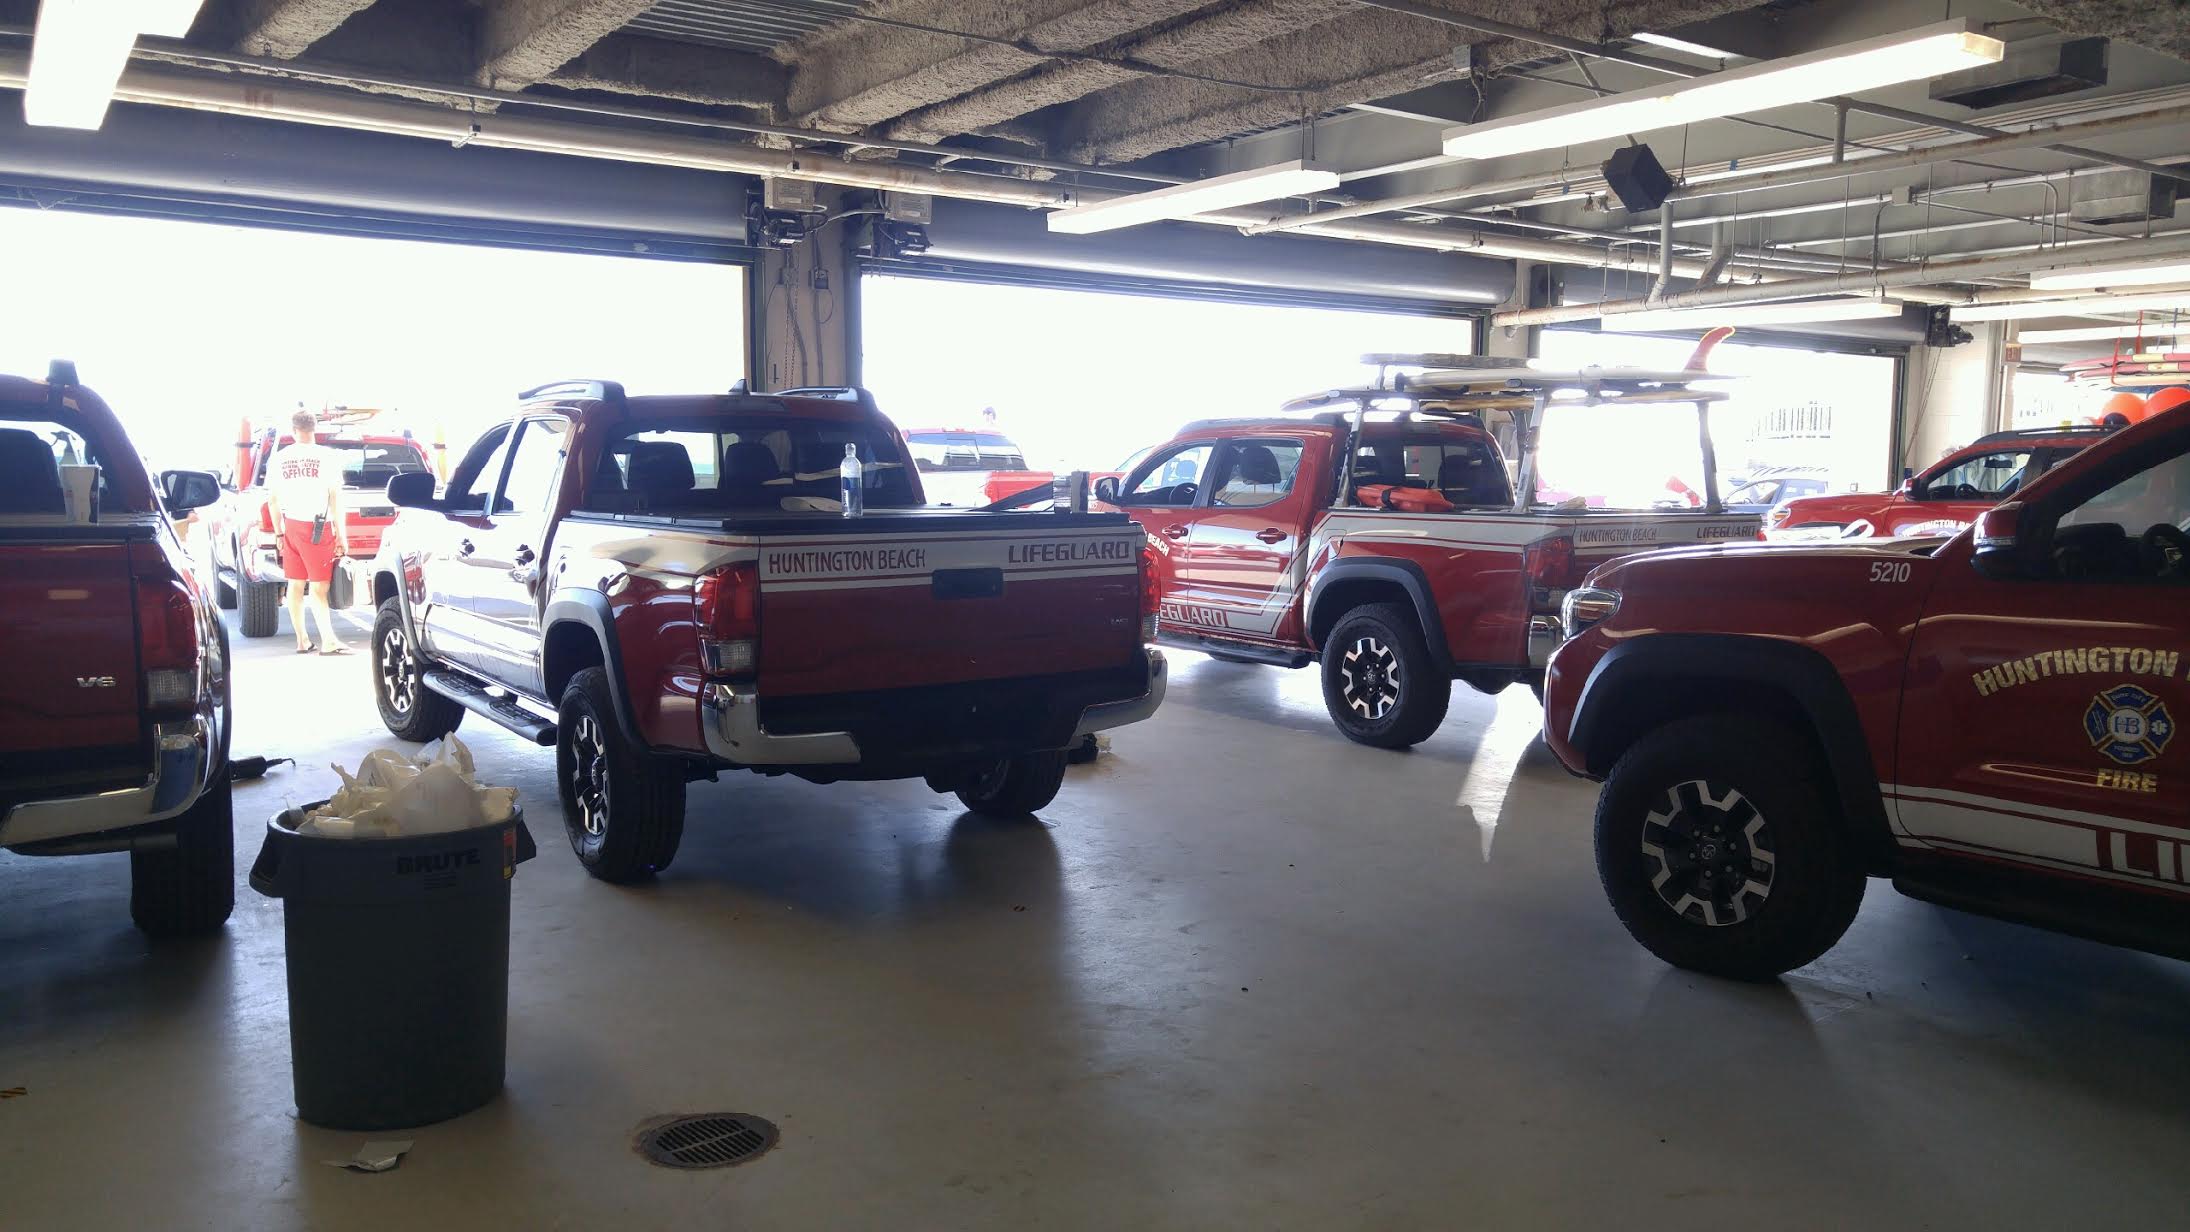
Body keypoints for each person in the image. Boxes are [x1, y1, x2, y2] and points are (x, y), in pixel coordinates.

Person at [264, 408, 351, 655]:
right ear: (314, 429)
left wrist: (279, 533)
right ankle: (329, 641)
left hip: (290, 526)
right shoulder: (327, 457)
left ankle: (302, 640)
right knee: (319, 587)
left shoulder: (280, 458)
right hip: (317, 528)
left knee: (295, 584)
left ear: (293, 431)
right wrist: (341, 534)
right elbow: (335, 498)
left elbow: (272, 500)